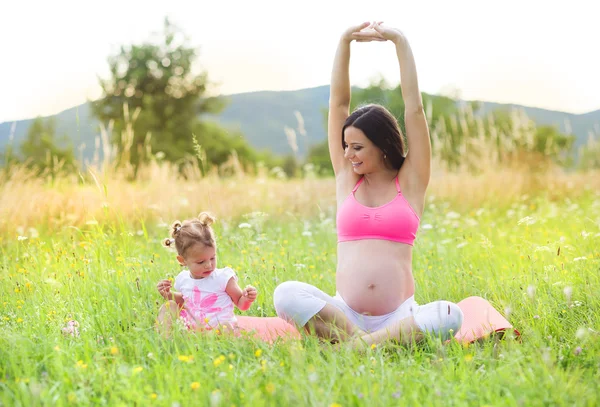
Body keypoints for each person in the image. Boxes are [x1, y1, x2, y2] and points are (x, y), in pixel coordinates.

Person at [273, 22, 464, 348]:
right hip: (344, 313)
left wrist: (399, 41)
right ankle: (369, 344)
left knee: (450, 314)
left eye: (357, 147)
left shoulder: (412, 180)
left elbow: (414, 109)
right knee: (285, 293)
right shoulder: (346, 179)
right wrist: (345, 41)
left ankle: (358, 347)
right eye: (345, 146)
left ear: (383, 145)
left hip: (398, 316)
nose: (347, 154)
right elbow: (338, 104)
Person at [156, 212, 258, 335]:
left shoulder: (223, 278)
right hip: (192, 329)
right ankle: (165, 340)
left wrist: (247, 298)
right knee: (169, 306)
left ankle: (208, 339)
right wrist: (168, 294)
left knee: (226, 328)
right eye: (200, 262)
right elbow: (185, 301)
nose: (209, 265)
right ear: (182, 260)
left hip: (218, 331)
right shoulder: (183, 279)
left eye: (212, 258)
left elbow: (241, 304)